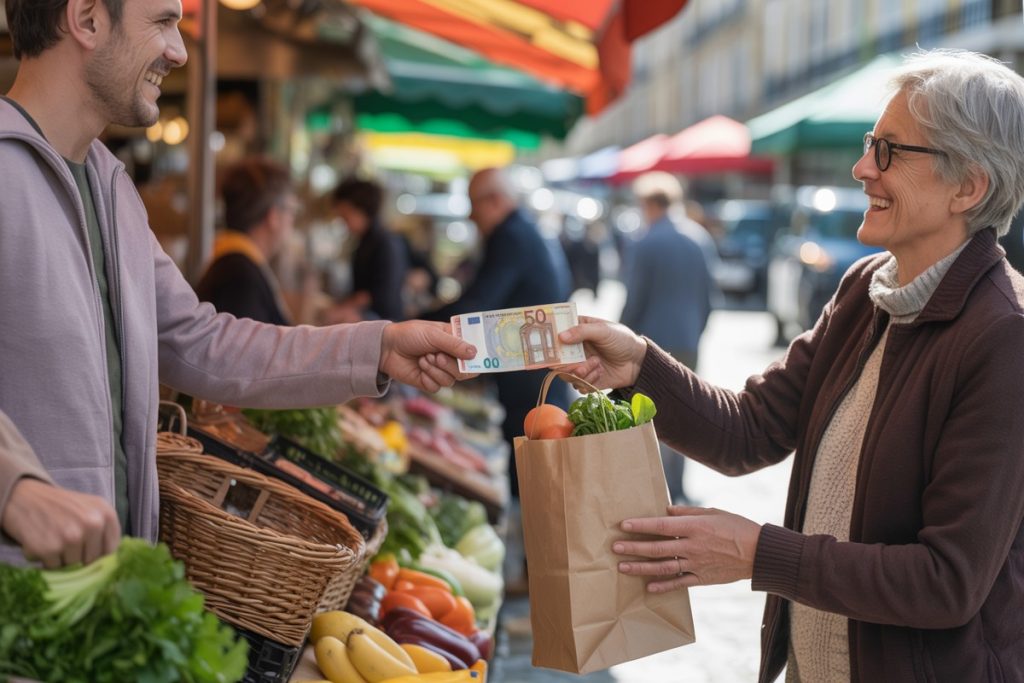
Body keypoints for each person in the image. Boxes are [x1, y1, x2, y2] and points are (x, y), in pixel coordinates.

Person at [560, 49, 1024, 682]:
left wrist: (758, 554)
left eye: (889, 151)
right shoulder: (866, 288)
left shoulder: (1004, 337)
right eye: (869, 143)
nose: (863, 168)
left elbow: (946, 583)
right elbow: (749, 430)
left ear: (969, 186)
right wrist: (639, 363)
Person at [0, 0, 476, 570]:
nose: (178, 51)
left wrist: (379, 346)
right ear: (88, 19)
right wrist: (14, 489)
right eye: (163, 22)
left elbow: (203, 343)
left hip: (105, 595)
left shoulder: (112, 188)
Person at [429, 168, 571, 498]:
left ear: (494, 201)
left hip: (533, 382)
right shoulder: (524, 230)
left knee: (537, 481)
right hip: (537, 375)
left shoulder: (509, 236)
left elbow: (478, 303)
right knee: (538, 475)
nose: (470, 214)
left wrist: (414, 323)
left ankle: (535, 548)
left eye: (473, 204)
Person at [619, 172, 713, 505]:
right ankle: (677, 486)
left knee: (648, 418)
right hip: (688, 338)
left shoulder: (646, 242)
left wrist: (619, 334)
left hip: (650, 342)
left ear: (648, 203)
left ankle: (653, 487)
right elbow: (708, 298)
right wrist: (696, 331)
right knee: (685, 414)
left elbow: (635, 299)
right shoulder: (699, 238)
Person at [195, 157, 298, 324]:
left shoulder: (233, 263)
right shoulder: (240, 276)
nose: (293, 220)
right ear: (274, 217)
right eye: (292, 210)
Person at [329, 176, 408, 323]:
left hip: (384, 322)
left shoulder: (384, 242)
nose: (343, 223)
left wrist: (341, 308)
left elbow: (380, 294)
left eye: (345, 217)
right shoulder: (367, 240)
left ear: (361, 209)